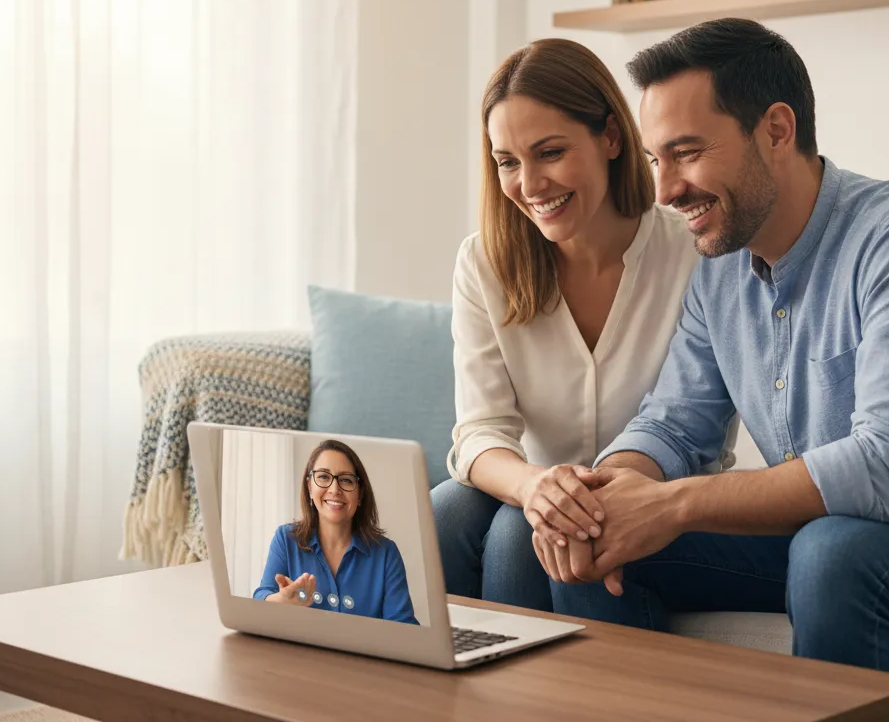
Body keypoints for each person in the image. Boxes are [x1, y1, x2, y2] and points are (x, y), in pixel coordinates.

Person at [546, 17, 889, 674]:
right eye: (655, 159)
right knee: (592, 538)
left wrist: (671, 503)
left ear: (777, 130)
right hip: (827, 541)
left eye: (687, 153)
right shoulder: (719, 269)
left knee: (833, 553)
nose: (664, 191)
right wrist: (601, 492)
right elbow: (673, 422)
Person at [430, 37, 734, 612]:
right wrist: (537, 486)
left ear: (611, 139)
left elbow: (694, 431)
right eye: (508, 162)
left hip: (654, 497)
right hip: (532, 493)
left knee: (518, 536)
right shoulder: (484, 263)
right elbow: (478, 433)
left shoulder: (695, 254)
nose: (530, 184)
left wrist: (561, 501)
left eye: (550, 152)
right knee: (447, 511)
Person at [255, 439, 419, 625]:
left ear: (360, 495)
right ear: (309, 487)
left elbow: (404, 628)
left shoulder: (386, 553)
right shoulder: (286, 539)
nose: (335, 489)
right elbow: (262, 596)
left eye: (346, 480)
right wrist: (280, 601)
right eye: (324, 477)